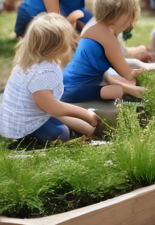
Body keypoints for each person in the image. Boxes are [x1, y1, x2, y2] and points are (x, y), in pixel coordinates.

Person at [0, 13, 101, 142]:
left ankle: (84, 130)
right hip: (20, 129)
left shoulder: (30, 61)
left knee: (65, 123)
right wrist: (85, 114)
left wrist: (86, 127)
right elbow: (53, 108)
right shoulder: (44, 72)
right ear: (58, 45)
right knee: (61, 133)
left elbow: (48, 108)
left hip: (18, 118)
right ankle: (23, 143)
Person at [62, 0, 146, 103]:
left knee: (112, 79)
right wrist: (143, 72)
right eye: (129, 18)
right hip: (74, 87)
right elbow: (128, 74)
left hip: (70, 78)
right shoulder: (107, 36)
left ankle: (116, 83)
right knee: (116, 91)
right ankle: (126, 89)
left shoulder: (95, 23)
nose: (129, 23)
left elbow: (94, 62)